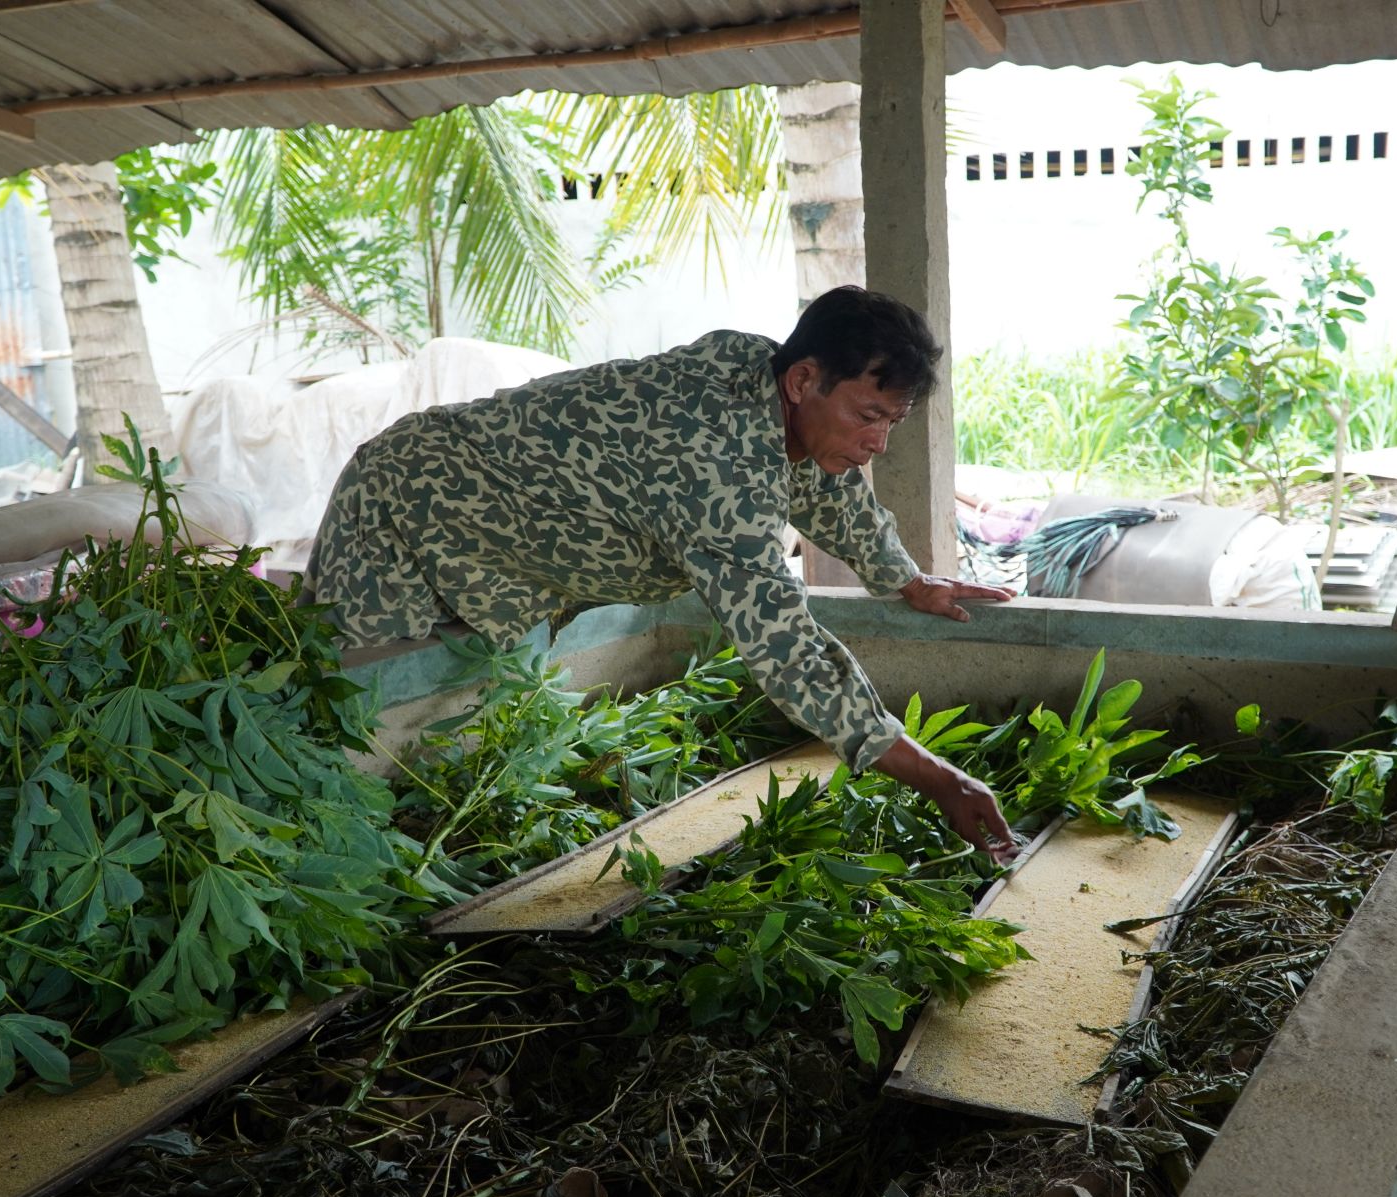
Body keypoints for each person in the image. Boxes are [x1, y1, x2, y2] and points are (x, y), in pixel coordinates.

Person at [307, 286, 1018, 859]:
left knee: (456, 688)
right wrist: (941, 779)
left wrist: (907, 579)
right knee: (346, 708)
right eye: (869, 416)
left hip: (495, 539)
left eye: (891, 423)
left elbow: (828, 485)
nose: (877, 443)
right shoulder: (713, 461)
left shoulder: (768, 387)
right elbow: (789, 651)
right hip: (405, 502)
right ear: (804, 379)